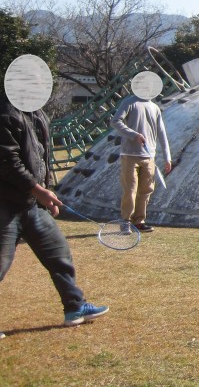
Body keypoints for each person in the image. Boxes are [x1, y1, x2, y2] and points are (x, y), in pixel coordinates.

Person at [1, 54, 108, 335]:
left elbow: (41, 158)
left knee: (59, 255)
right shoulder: (5, 114)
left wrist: (47, 191)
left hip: (32, 205)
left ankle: (75, 306)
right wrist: (39, 190)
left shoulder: (37, 115)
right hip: (5, 205)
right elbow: (8, 163)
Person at [111, 72, 172, 233]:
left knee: (146, 190)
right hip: (130, 154)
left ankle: (139, 221)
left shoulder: (155, 107)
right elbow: (115, 121)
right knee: (130, 190)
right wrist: (133, 134)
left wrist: (167, 157)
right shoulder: (129, 102)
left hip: (149, 156)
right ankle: (125, 221)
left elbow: (161, 133)